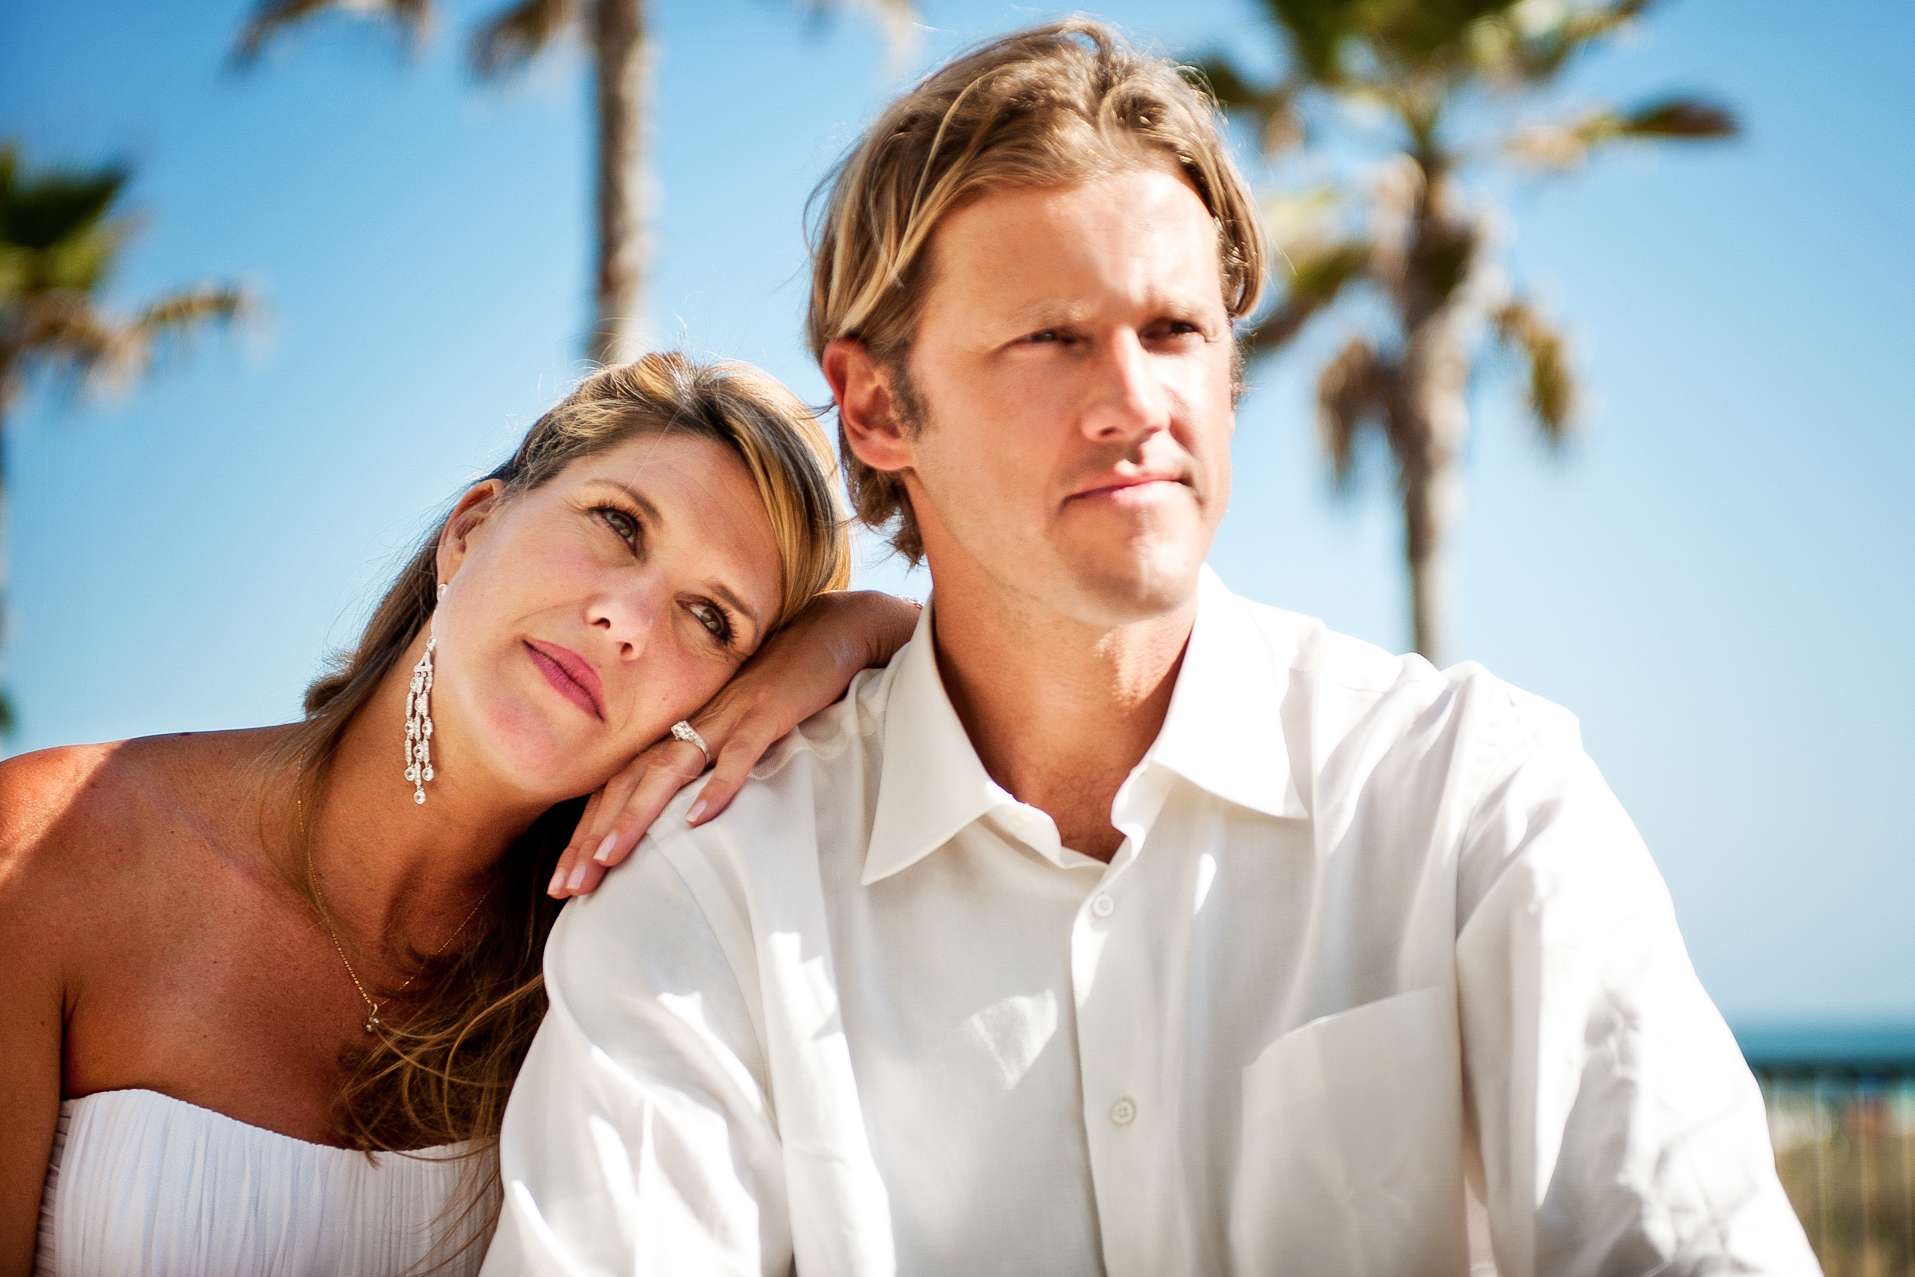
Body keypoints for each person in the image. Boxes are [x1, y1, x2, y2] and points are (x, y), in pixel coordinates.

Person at [485, 20, 1819, 1276]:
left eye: (1174, 331)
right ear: (880, 405)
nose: (1136, 402)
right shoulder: (710, 897)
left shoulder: (1474, 798)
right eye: (1051, 340)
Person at [0, 352, 924, 1276]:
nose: (629, 620)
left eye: (711, 619)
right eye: (620, 524)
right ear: (472, 530)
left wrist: (855, 633)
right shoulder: (53, 844)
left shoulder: (610, 971)